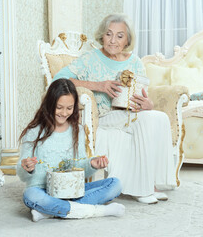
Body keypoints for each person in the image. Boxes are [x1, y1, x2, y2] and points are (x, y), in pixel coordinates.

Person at [53, 14, 176, 204]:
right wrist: (98, 85)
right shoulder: (90, 58)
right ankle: (141, 189)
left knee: (158, 117)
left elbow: (144, 94)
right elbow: (59, 80)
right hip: (105, 117)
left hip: (130, 114)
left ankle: (153, 183)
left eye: (119, 36)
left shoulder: (134, 62)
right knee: (144, 120)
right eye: (109, 34)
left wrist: (148, 105)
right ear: (102, 35)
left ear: (127, 40)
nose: (113, 40)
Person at [17, 79, 125, 222]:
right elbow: (22, 173)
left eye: (69, 108)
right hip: (42, 190)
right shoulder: (34, 132)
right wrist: (27, 168)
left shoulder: (77, 130)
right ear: (49, 104)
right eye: (59, 107)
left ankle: (50, 211)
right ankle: (97, 211)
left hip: (71, 190)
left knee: (115, 184)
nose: (64, 113)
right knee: (30, 196)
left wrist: (92, 164)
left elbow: (81, 168)